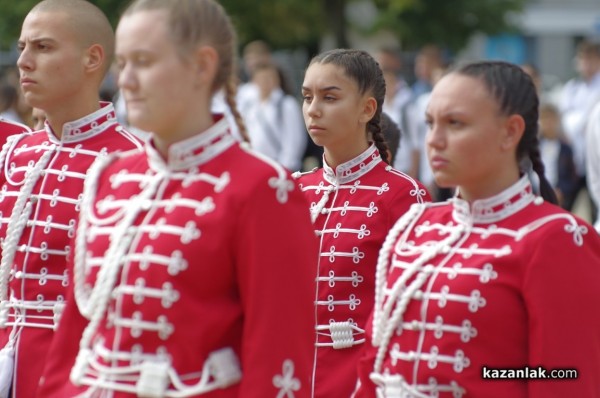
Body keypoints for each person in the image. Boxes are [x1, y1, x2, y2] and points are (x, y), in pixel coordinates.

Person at [37, 0, 318, 397]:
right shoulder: (110, 178)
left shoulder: (262, 188)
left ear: (201, 66)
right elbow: (73, 341)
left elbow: (279, 361)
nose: (126, 81)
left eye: (144, 62)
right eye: (124, 64)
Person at [354, 60, 600, 397]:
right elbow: (374, 358)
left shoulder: (556, 238)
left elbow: (563, 378)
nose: (434, 141)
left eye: (455, 123)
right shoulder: (413, 226)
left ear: (510, 132)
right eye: (430, 124)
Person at [0, 1, 144, 396]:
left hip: (79, 374)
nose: (23, 62)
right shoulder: (13, 154)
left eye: (43, 47)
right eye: (22, 47)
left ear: (92, 58)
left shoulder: (135, 163)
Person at [294, 48, 430, 398]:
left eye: (329, 97)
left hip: (361, 378)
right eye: (307, 97)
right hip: (288, 375)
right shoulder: (291, 191)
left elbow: (413, 315)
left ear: (367, 109)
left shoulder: (403, 195)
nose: (313, 109)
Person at [239, 62, 307, 171]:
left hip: (279, 167)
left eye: (269, 78)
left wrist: (284, 168)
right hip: (255, 167)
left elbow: (294, 140)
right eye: (261, 78)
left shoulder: (286, 104)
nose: (265, 82)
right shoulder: (249, 106)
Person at [559, 40, 600, 218]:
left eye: (590, 59)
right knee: (565, 208)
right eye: (583, 59)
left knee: (595, 207)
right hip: (574, 160)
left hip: (594, 155)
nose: (586, 64)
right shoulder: (572, 88)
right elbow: (562, 118)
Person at [375, 47, 418, 177]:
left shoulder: (406, 102)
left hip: (403, 166)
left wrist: (413, 172)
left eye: (390, 83)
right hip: (385, 164)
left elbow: (415, 141)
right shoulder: (379, 103)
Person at [538, 102, 577, 208]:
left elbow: (572, 177)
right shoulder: (534, 147)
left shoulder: (565, 149)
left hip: (559, 198)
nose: (548, 123)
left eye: (551, 119)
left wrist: (561, 191)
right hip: (537, 196)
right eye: (544, 119)